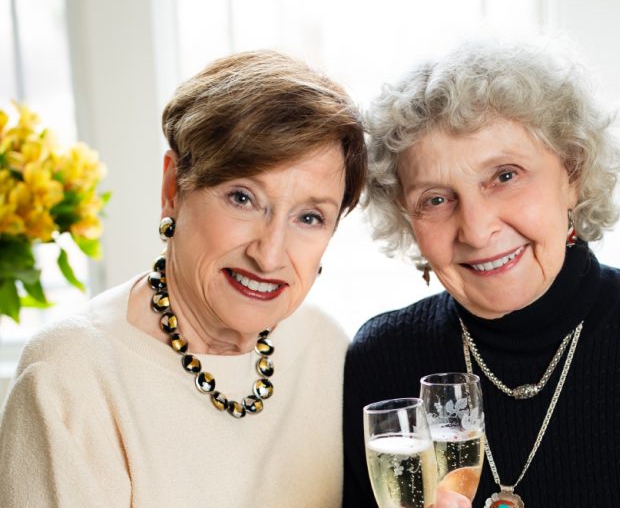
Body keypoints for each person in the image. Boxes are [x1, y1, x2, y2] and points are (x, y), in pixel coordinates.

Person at [343, 40, 620, 507]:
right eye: (436, 199)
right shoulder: (381, 360)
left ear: (573, 173)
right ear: (408, 218)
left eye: (505, 176)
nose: (478, 229)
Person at [0, 50, 366, 507]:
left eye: (309, 217)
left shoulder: (326, 349)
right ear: (173, 189)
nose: (269, 254)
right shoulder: (70, 375)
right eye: (242, 197)